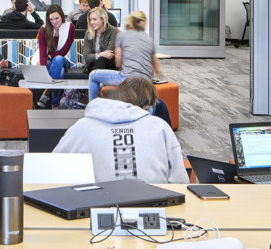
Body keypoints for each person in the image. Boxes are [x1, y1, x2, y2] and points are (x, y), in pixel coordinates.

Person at [55, 77, 188, 184]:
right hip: (153, 208)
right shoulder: (160, 127)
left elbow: (55, 166)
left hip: (94, 207)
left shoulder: (82, 126)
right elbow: (180, 181)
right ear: (147, 105)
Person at [85, 10, 168, 124]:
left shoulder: (122, 35)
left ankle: (93, 113)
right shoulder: (149, 39)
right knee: (147, 95)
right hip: (146, 81)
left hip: (127, 77)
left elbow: (118, 63)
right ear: (142, 22)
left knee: (93, 76)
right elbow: (157, 67)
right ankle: (149, 121)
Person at [37, 4, 76, 80]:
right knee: (60, 72)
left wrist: (50, 56)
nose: (54, 22)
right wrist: (44, 73)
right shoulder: (43, 30)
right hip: (48, 60)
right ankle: (52, 91)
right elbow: (43, 54)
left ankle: (48, 89)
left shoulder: (70, 27)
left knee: (58, 59)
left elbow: (64, 51)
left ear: (61, 16)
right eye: (51, 19)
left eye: (56, 18)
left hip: (63, 59)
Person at [82, 7, 120, 74]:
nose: (91, 22)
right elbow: (86, 57)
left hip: (109, 65)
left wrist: (96, 56)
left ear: (102, 19)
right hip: (93, 65)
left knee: (102, 60)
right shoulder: (88, 33)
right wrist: (100, 54)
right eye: (90, 20)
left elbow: (109, 55)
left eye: (94, 19)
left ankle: (93, 79)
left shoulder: (114, 32)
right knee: (101, 59)